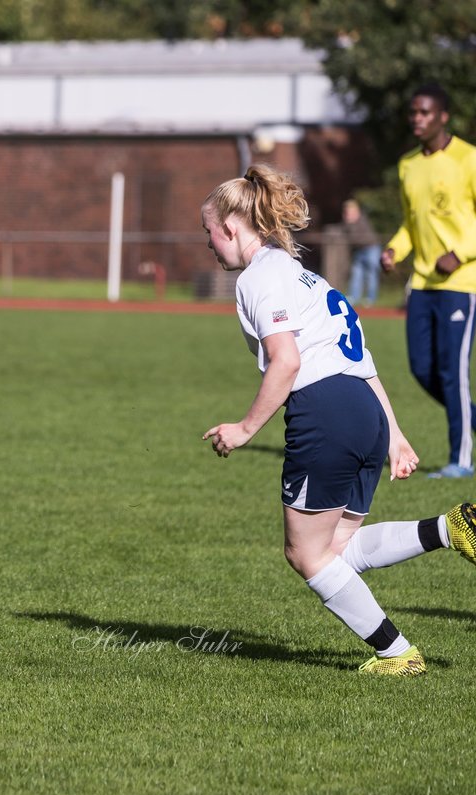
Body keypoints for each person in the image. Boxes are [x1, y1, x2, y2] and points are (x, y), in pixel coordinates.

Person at [201, 163, 476, 677]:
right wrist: (393, 434)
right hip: (364, 409)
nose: (209, 244)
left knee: (305, 554)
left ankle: (398, 654)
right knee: (338, 550)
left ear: (232, 229)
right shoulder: (305, 274)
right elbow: (361, 360)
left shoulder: (260, 278)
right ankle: (449, 528)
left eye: (209, 232)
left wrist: (244, 429)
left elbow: (287, 361)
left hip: (324, 412)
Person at [382, 83, 476, 479]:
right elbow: (411, 223)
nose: (417, 119)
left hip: (462, 281)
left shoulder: (468, 159)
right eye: (412, 112)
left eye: (424, 112)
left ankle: (461, 461)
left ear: (443, 116)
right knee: (422, 369)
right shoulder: (407, 165)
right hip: (421, 285)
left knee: (453, 373)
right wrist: (394, 250)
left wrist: (461, 253)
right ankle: (470, 418)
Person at [341, 199, 381, 305]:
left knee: (371, 274)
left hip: (371, 249)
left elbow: (355, 236)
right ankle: (353, 297)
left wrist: (349, 222)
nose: (347, 214)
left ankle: (370, 298)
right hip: (360, 251)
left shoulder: (361, 220)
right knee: (356, 274)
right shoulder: (349, 223)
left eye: (350, 211)